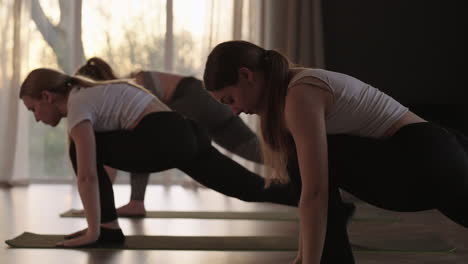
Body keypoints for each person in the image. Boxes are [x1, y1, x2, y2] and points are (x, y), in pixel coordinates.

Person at [203, 40, 468, 264]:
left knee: (309, 168)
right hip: (433, 156)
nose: (234, 112)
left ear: (246, 75)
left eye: (230, 100)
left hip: (422, 158)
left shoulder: (300, 95)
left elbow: (316, 191)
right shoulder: (296, 88)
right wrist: (303, 256)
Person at [19, 68, 299, 247]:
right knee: (248, 188)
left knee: (77, 147)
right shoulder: (93, 95)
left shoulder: (79, 104)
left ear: (46, 96)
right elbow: (101, 167)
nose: (36, 118)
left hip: (166, 137)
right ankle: (315, 196)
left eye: (33, 109)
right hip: (185, 132)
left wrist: (91, 231)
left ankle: (105, 230)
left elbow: (88, 174)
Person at [73, 57, 263, 217]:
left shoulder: (130, 87)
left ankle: (136, 203)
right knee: (257, 151)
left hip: (194, 100)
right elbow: (110, 163)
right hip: (205, 102)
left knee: (144, 145)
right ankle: (291, 169)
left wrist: (96, 205)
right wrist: (97, 204)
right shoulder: (123, 93)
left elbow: (134, 150)